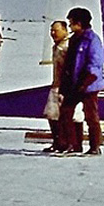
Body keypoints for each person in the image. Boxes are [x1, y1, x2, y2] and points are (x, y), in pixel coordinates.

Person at [58, 7, 104, 156]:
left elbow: (95, 64)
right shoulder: (74, 39)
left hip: (89, 85)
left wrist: (85, 83)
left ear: (79, 23)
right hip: (73, 83)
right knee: (66, 112)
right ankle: (73, 145)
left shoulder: (92, 40)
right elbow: (70, 63)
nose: (70, 26)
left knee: (91, 116)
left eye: (71, 23)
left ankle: (95, 146)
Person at [43, 20, 72, 152]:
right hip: (55, 85)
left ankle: (66, 143)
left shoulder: (67, 46)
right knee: (51, 114)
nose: (53, 33)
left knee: (64, 116)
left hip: (65, 86)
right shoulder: (56, 47)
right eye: (52, 31)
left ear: (65, 30)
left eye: (56, 30)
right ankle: (57, 142)